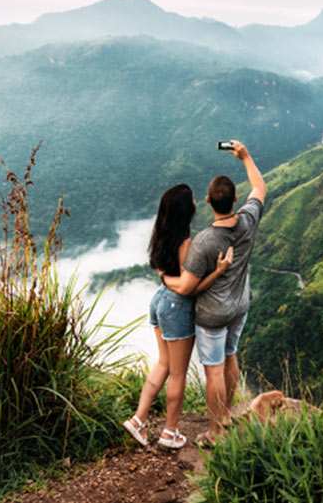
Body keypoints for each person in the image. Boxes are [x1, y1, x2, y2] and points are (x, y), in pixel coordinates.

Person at [164, 140, 266, 443]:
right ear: (236, 198)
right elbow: (259, 187)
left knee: (214, 370)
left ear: (208, 200)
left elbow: (185, 286)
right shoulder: (249, 220)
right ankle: (227, 415)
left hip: (213, 314)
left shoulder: (205, 241)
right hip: (240, 305)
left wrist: (165, 278)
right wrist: (246, 157)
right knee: (231, 357)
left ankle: (215, 431)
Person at [123, 184, 232, 450]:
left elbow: (164, 273)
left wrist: (164, 278)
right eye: (194, 199)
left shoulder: (160, 235)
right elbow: (188, 286)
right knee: (178, 374)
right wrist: (218, 271)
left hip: (159, 300)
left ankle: (139, 419)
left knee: (163, 364)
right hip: (178, 307)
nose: (197, 201)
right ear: (187, 209)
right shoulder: (185, 243)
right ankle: (169, 432)